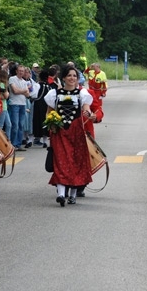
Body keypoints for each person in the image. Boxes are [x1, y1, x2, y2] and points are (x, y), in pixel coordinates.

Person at [44, 65, 93, 207]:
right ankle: (60, 194)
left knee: (75, 161)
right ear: (64, 78)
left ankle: (72, 194)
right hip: (59, 131)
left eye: (74, 76)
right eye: (69, 75)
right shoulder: (54, 94)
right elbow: (49, 112)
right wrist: (51, 123)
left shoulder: (82, 94)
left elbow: (87, 109)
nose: (72, 78)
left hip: (76, 131)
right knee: (60, 160)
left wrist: (89, 114)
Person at [8, 64, 30, 151]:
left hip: (23, 104)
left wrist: (23, 91)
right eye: (20, 71)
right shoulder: (12, 79)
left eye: (22, 71)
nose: (21, 72)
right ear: (16, 71)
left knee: (21, 125)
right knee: (15, 125)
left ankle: (18, 144)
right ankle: (13, 144)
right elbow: (15, 91)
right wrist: (24, 90)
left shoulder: (24, 81)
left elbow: (28, 94)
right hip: (14, 103)